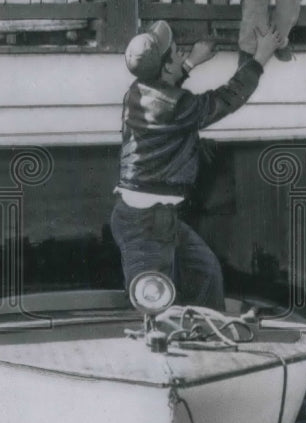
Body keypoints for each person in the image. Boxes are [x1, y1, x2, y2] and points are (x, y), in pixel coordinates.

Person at [110, 20, 282, 310]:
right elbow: (226, 99)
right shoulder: (178, 105)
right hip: (147, 225)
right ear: (165, 68)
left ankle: (208, 339)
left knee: (205, 273)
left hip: (152, 217)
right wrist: (261, 57)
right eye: (176, 52)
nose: (180, 54)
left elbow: (165, 90)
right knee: (154, 305)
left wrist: (190, 63)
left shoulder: (136, 92)